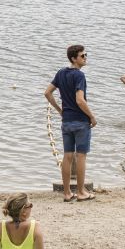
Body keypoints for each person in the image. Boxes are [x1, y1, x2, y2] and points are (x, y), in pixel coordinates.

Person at [45, 44, 96, 202]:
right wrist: (92, 117)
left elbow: (47, 93)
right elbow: (80, 101)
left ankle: (67, 193)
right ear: (74, 58)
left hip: (66, 121)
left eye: (85, 55)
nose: (85, 58)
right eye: (82, 55)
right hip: (80, 121)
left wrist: (60, 110)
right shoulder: (79, 76)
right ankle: (81, 192)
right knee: (81, 157)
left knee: (67, 156)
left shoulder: (61, 73)